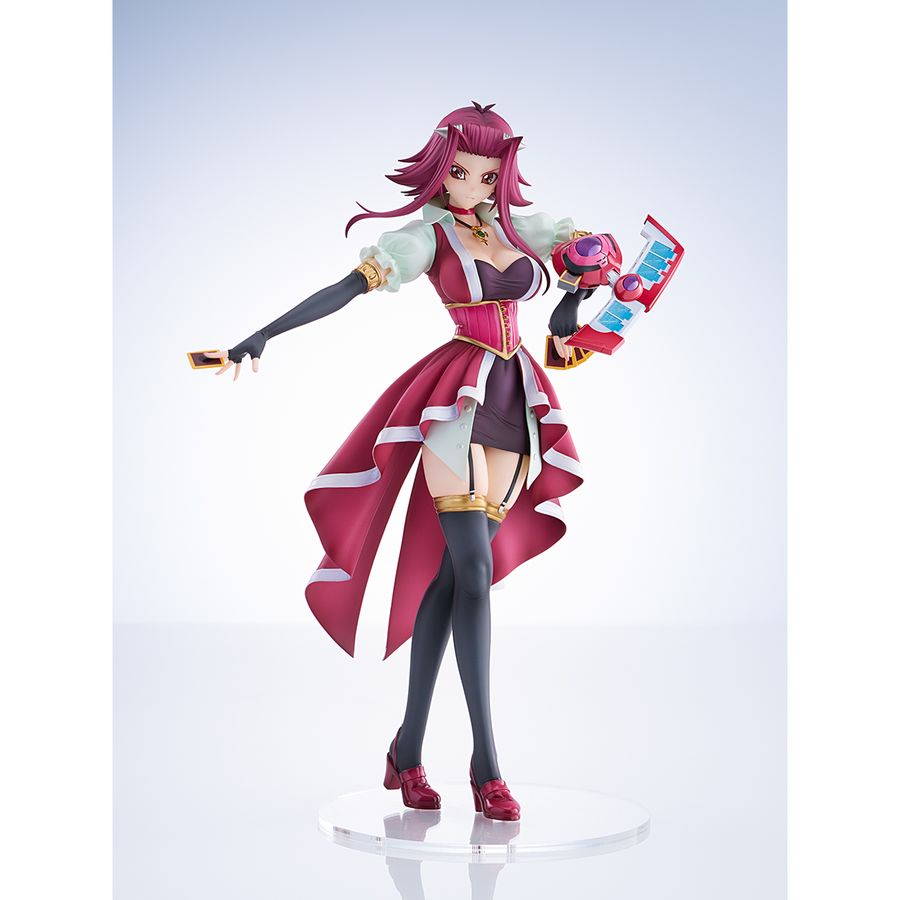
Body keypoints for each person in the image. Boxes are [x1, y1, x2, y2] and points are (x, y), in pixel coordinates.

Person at [205, 102, 589, 821]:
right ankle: (487, 766)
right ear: (441, 167)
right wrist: (264, 332)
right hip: (458, 399)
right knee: (474, 569)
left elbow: (588, 255)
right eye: (462, 171)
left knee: (455, 579)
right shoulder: (425, 235)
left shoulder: (518, 228)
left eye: (489, 173)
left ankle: (406, 749)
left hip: (518, 399)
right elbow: (349, 288)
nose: (474, 184)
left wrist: (574, 301)